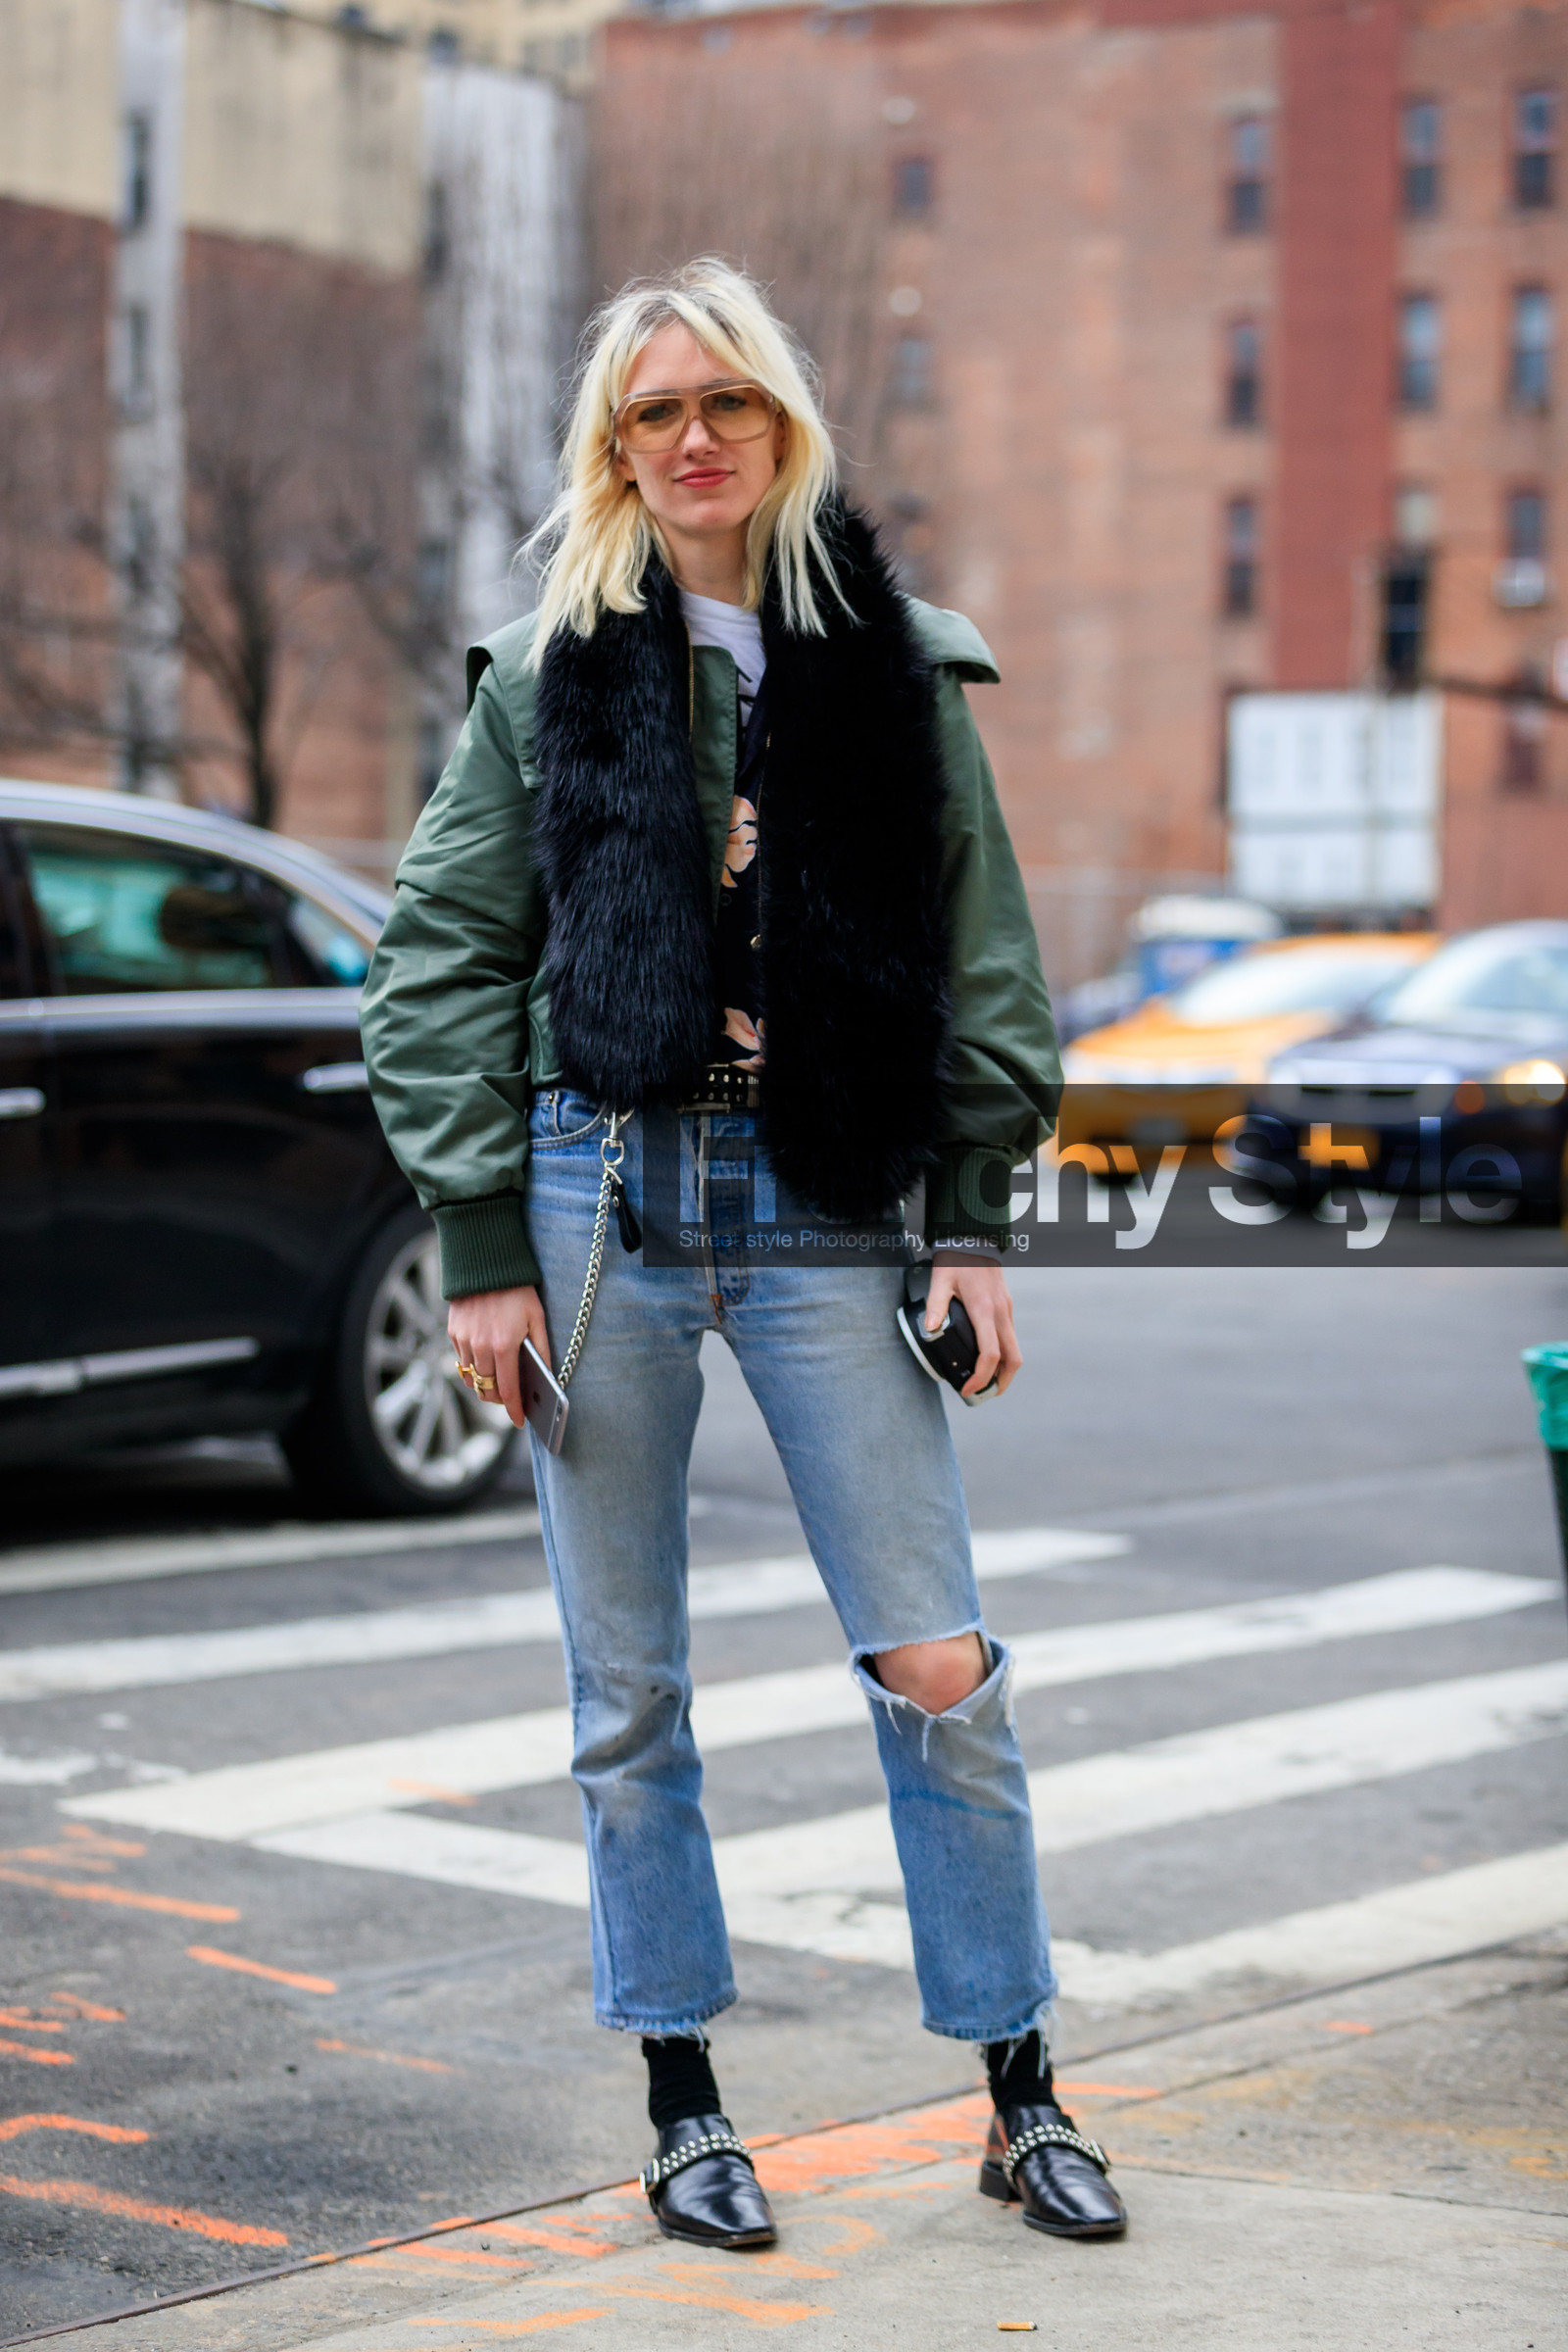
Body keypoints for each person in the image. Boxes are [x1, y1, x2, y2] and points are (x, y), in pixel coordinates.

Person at [361, 259, 1126, 2249]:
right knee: (630, 1696)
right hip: (592, 1201)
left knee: (936, 1663)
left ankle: (1017, 2087)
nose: (692, 437)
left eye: (728, 405)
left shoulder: (892, 662)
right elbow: (436, 962)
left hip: (827, 1205)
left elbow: (983, 958)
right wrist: (475, 1246)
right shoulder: (545, 682)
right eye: (650, 413)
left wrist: (972, 1221)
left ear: (784, 426)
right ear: (612, 454)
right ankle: (685, 2102)